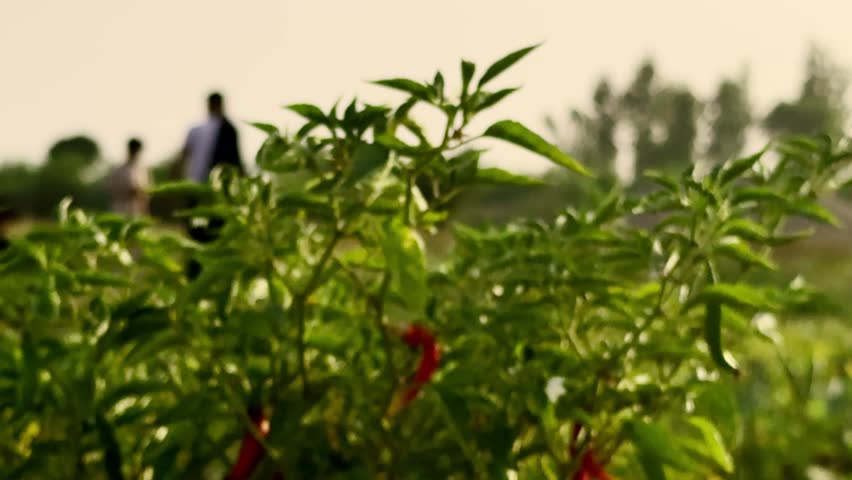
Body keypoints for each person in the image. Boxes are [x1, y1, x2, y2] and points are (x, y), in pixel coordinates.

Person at [180, 92, 244, 278]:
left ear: (208, 105)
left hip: (196, 190)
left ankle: (196, 273)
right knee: (215, 235)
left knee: (196, 235)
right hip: (217, 193)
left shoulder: (198, 129)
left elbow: (183, 157)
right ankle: (210, 273)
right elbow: (236, 164)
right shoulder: (228, 129)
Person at [108, 138, 150, 217]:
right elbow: (111, 188)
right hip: (121, 208)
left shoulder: (143, 170)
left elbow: (146, 193)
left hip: (138, 209)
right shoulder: (119, 169)